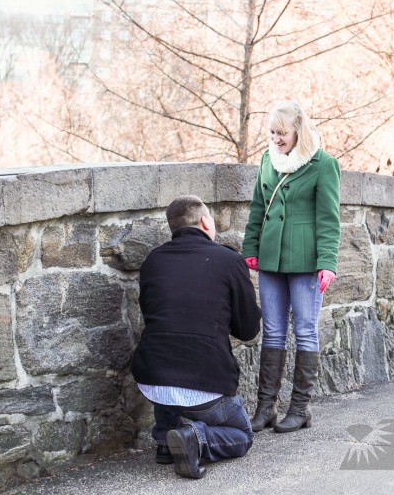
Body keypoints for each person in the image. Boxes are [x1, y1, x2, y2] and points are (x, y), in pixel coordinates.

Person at [131, 195, 262, 479]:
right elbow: (248, 330)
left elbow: (152, 314)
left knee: (168, 352)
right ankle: (194, 437)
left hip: (152, 375)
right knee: (242, 435)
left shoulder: (153, 260)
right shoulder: (229, 260)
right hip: (204, 382)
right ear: (205, 222)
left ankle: (166, 439)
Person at [242, 100, 341, 434]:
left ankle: (300, 409)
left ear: (298, 130)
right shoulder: (268, 160)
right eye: (272, 132)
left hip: (306, 260)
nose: (276, 138)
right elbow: (258, 206)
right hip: (271, 258)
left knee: (305, 329)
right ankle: (265, 408)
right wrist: (250, 247)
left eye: (281, 133)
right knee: (272, 329)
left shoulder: (323, 164)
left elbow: (329, 218)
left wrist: (327, 262)